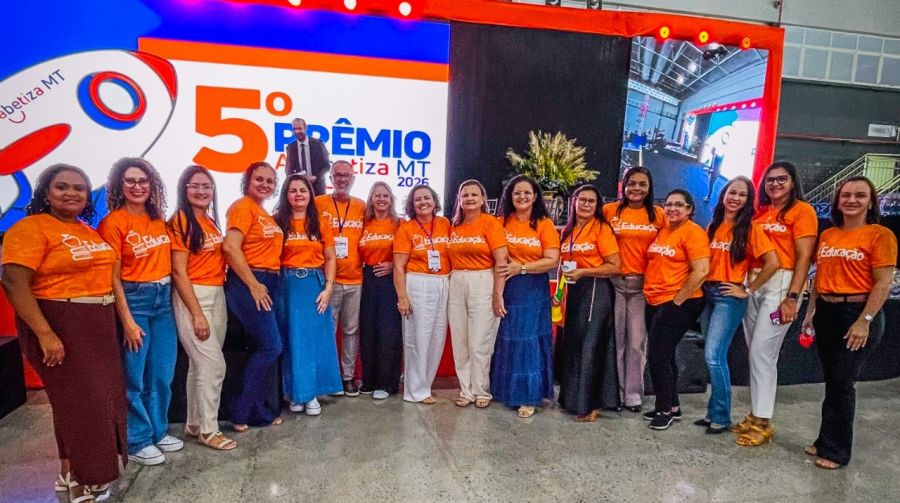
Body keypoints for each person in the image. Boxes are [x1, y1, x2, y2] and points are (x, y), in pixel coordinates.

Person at [2, 164, 126, 503]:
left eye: (79, 188)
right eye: (62, 186)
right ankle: (79, 483)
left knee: (86, 403)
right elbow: (13, 282)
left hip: (97, 322)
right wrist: (45, 334)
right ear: (46, 192)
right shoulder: (30, 228)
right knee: (83, 405)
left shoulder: (86, 230)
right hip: (61, 321)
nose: (71, 193)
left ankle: (71, 472)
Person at [801, 176, 897, 469]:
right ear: (837, 201)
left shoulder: (880, 235)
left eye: (860, 195)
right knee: (833, 380)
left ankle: (836, 452)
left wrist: (864, 321)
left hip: (857, 313)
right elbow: (819, 277)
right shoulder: (829, 235)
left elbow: (883, 283)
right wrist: (810, 312)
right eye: (846, 195)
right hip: (826, 312)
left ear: (871, 202)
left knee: (843, 381)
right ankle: (824, 440)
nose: (852, 200)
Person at [98, 157, 182, 465]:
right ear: (119, 185)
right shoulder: (113, 223)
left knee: (161, 372)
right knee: (134, 377)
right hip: (135, 300)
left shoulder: (158, 219)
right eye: (130, 181)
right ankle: (137, 440)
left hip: (163, 299)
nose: (137, 186)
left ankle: (158, 431)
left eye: (143, 181)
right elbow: (113, 279)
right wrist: (128, 321)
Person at [735, 161, 817, 446]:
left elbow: (804, 258)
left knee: (763, 352)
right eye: (770, 180)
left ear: (793, 182)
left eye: (782, 179)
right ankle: (756, 413)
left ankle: (763, 420)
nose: (775, 184)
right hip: (754, 281)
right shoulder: (759, 211)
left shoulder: (802, 212)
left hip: (781, 284)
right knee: (755, 352)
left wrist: (793, 297)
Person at [697, 177, 778, 434]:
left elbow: (773, 262)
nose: (735, 198)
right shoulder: (713, 226)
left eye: (742, 195)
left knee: (714, 356)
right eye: (732, 192)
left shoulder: (751, 229)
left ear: (747, 201)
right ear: (723, 195)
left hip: (728, 296)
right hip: (707, 293)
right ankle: (713, 413)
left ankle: (721, 416)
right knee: (712, 355)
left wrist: (747, 290)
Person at [168, 165, 236, 450]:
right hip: (194, 296)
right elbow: (179, 271)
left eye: (206, 186)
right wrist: (196, 314)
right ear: (184, 189)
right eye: (195, 186)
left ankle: (194, 423)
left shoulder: (208, 221)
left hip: (216, 293)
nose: (201, 191)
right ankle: (209, 430)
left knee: (200, 365)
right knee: (213, 364)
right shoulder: (180, 221)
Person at [222, 161, 285, 431]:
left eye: (270, 181)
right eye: (259, 179)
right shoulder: (242, 207)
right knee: (271, 347)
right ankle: (239, 411)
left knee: (262, 347)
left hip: (267, 281)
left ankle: (256, 411)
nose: (264, 184)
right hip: (250, 282)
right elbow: (230, 247)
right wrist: (253, 284)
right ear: (247, 180)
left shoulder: (263, 212)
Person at [490, 175, 560, 418]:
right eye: (517, 192)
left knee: (527, 341)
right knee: (507, 338)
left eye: (527, 193)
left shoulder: (544, 224)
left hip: (532, 289)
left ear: (535, 196)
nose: (522, 197)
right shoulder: (500, 222)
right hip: (506, 286)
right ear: (509, 196)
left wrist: (521, 268)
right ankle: (505, 389)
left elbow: (552, 260)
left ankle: (527, 396)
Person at [642, 189, 710, 431]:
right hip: (655, 300)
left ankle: (664, 410)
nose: (672, 209)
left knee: (657, 356)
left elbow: (701, 270)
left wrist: (678, 300)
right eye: (668, 204)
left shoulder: (693, 232)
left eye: (679, 205)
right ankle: (672, 405)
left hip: (678, 303)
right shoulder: (664, 230)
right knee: (666, 354)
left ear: (690, 209)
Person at [274, 174, 340, 416]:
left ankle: (310, 393)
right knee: (291, 340)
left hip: (314, 285)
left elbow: (330, 257)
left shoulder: (320, 221)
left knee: (312, 341)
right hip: (286, 286)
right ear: (286, 194)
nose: (298, 195)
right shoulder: (278, 221)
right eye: (293, 191)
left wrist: (328, 288)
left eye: (303, 190)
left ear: (310, 194)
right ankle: (295, 393)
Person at [602, 166, 665, 413]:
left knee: (637, 342)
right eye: (632, 183)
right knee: (616, 341)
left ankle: (633, 396)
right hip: (614, 283)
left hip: (642, 287)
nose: (636, 188)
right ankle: (615, 393)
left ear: (649, 188)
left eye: (642, 184)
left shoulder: (659, 215)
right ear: (624, 185)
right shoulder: (609, 211)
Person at [557, 184, 621, 422]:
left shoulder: (602, 229)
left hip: (596, 291)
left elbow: (615, 265)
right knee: (573, 346)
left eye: (591, 201)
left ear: (597, 206)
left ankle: (589, 405)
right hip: (574, 292)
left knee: (590, 347)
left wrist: (584, 272)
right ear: (574, 202)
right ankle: (571, 399)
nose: (585, 204)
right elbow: (564, 266)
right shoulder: (568, 230)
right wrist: (559, 293)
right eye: (581, 200)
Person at [447, 180, 508, 409]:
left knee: (479, 341)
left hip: (483, 281)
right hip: (456, 281)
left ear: (483, 199)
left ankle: (481, 390)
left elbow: (501, 261)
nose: (470, 198)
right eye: (465, 195)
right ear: (459, 200)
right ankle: (466, 390)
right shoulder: (454, 225)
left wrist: (497, 293)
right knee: (460, 341)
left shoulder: (490, 223)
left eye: (474, 195)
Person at [393, 185, 451, 404]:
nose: (423, 202)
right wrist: (402, 297)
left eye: (427, 198)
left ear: (435, 202)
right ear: (412, 205)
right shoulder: (406, 229)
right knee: (417, 339)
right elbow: (398, 267)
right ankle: (414, 391)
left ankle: (425, 384)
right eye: (418, 199)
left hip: (443, 282)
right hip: (417, 284)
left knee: (437, 337)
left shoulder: (445, 224)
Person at [316, 160, 366, 397]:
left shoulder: (361, 206)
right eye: (338, 175)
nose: (342, 179)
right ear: (331, 179)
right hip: (328, 280)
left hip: (355, 279)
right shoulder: (318, 203)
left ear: (353, 178)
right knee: (327, 330)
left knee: (351, 331)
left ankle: (347, 377)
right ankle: (328, 379)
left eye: (346, 175)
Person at [358, 182, 402, 399]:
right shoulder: (364, 223)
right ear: (371, 199)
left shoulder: (399, 223)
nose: (381, 199)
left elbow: (411, 251)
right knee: (368, 331)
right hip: (367, 279)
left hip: (390, 281)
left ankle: (387, 383)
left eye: (385, 195)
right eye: (377, 195)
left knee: (388, 332)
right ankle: (369, 380)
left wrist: (394, 265)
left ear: (391, 199)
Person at [285, 117, 330, 195]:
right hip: (299, 190)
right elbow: (289, 170)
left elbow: (326, 166)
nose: (297, 131)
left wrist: (316, 177)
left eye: (299, 128)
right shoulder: (291, 148)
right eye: (295, 129)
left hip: (317, 188)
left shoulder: (318, 144)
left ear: (305, 128)